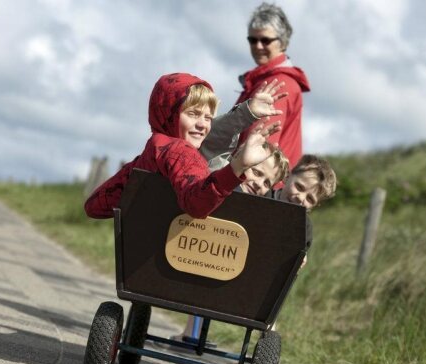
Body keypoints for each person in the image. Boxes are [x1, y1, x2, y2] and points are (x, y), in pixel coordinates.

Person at [84, 72, 280, 220]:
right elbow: (197, 205)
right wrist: (236, 168)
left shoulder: (153, 150)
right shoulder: (180, 152)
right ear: (170, 113)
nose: (203, 124)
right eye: (193, 114)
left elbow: (95, 206)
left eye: (208, 117)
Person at [200, 2, 309, 170]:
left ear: (283, 42)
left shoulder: (278, 84)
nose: (258, 46)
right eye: (253, 40)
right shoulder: (262, 80)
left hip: (256, 183)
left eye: (265, 40)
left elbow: (260, 147)